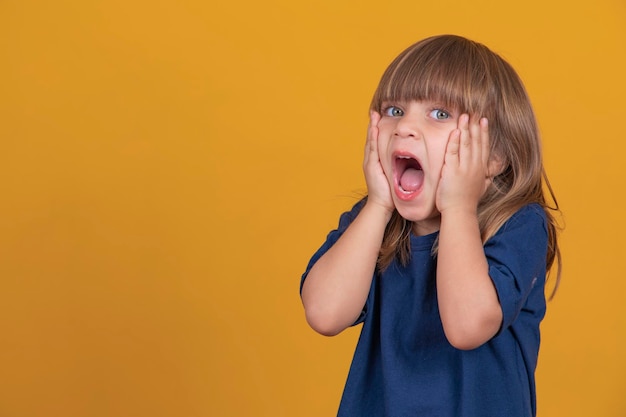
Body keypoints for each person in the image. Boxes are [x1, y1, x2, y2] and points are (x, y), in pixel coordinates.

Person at [300, 34, 561, 417]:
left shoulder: (519, 223)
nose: (405, 127)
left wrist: (458, 206)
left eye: (440, 114)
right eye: (393, 111)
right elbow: (324, 313)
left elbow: (467, 326)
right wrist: (377, 203)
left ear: (496, 156)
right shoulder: (374, 222)